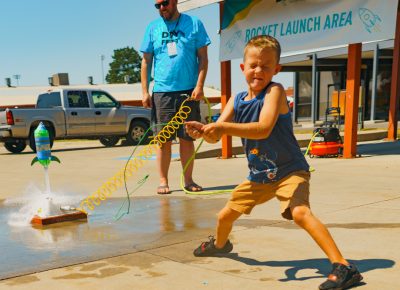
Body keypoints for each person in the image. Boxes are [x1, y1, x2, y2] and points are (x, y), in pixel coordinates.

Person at [185, 35, 363, 290]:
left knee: (300, 212)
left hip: (290, 170)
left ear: (276, 70)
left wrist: (221, 126)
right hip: (259, 176)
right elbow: (216, 135)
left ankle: (344, 266)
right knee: (225, 216)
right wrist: (204, 131)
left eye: (266, 66)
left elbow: (264, 128)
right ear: (242, 68)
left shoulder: (275, 91)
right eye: (254, 65)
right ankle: (221, 245)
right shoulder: (236, 100)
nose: (259, 70)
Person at [140, 0, 210, 195]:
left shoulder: (194, 24)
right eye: (158, 5)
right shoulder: (152, 28)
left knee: (187, 138)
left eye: (165, 3)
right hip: (162, 92)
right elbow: (146, 62)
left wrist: (200, 85)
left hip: (189, 91)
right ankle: (163, 181)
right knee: (163, 139)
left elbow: (203, 58)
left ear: (176, 1)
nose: (162, 8)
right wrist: (145, 91)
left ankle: (188, 180)